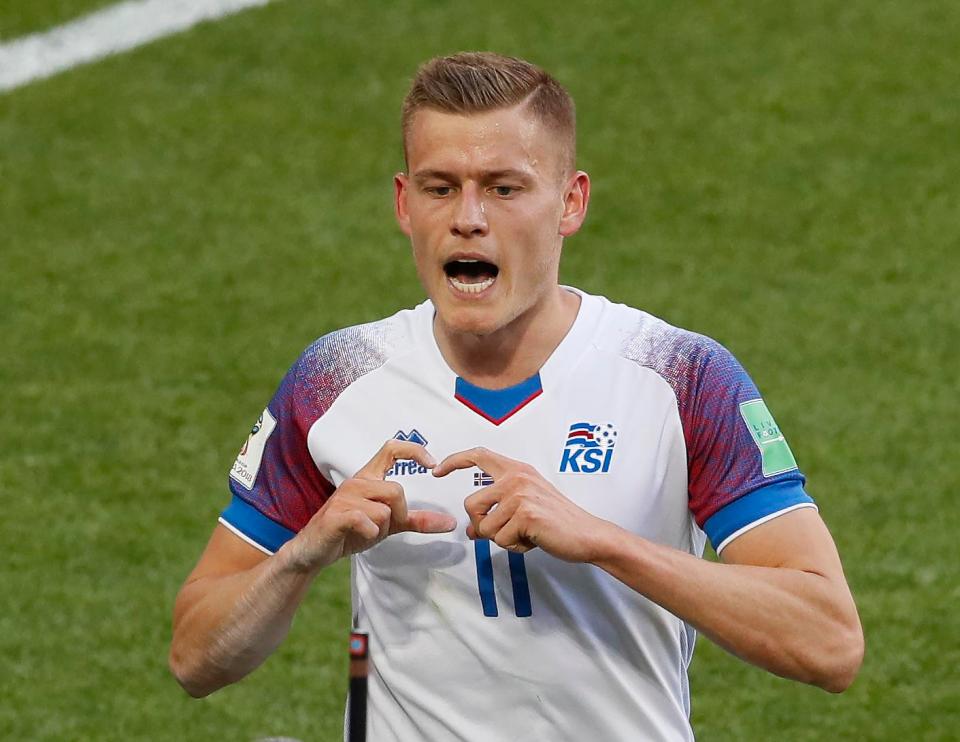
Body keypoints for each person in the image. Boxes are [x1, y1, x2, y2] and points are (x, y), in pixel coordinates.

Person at [169, 52, 864, 741]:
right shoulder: (336, 379)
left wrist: (600, 542)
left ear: (570, 203)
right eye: (441, 188)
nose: (468, 218)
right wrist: (306, 552)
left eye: (504, 189)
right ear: (404, 204)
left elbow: (829, 643)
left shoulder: (679, 376)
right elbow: (195, 657)